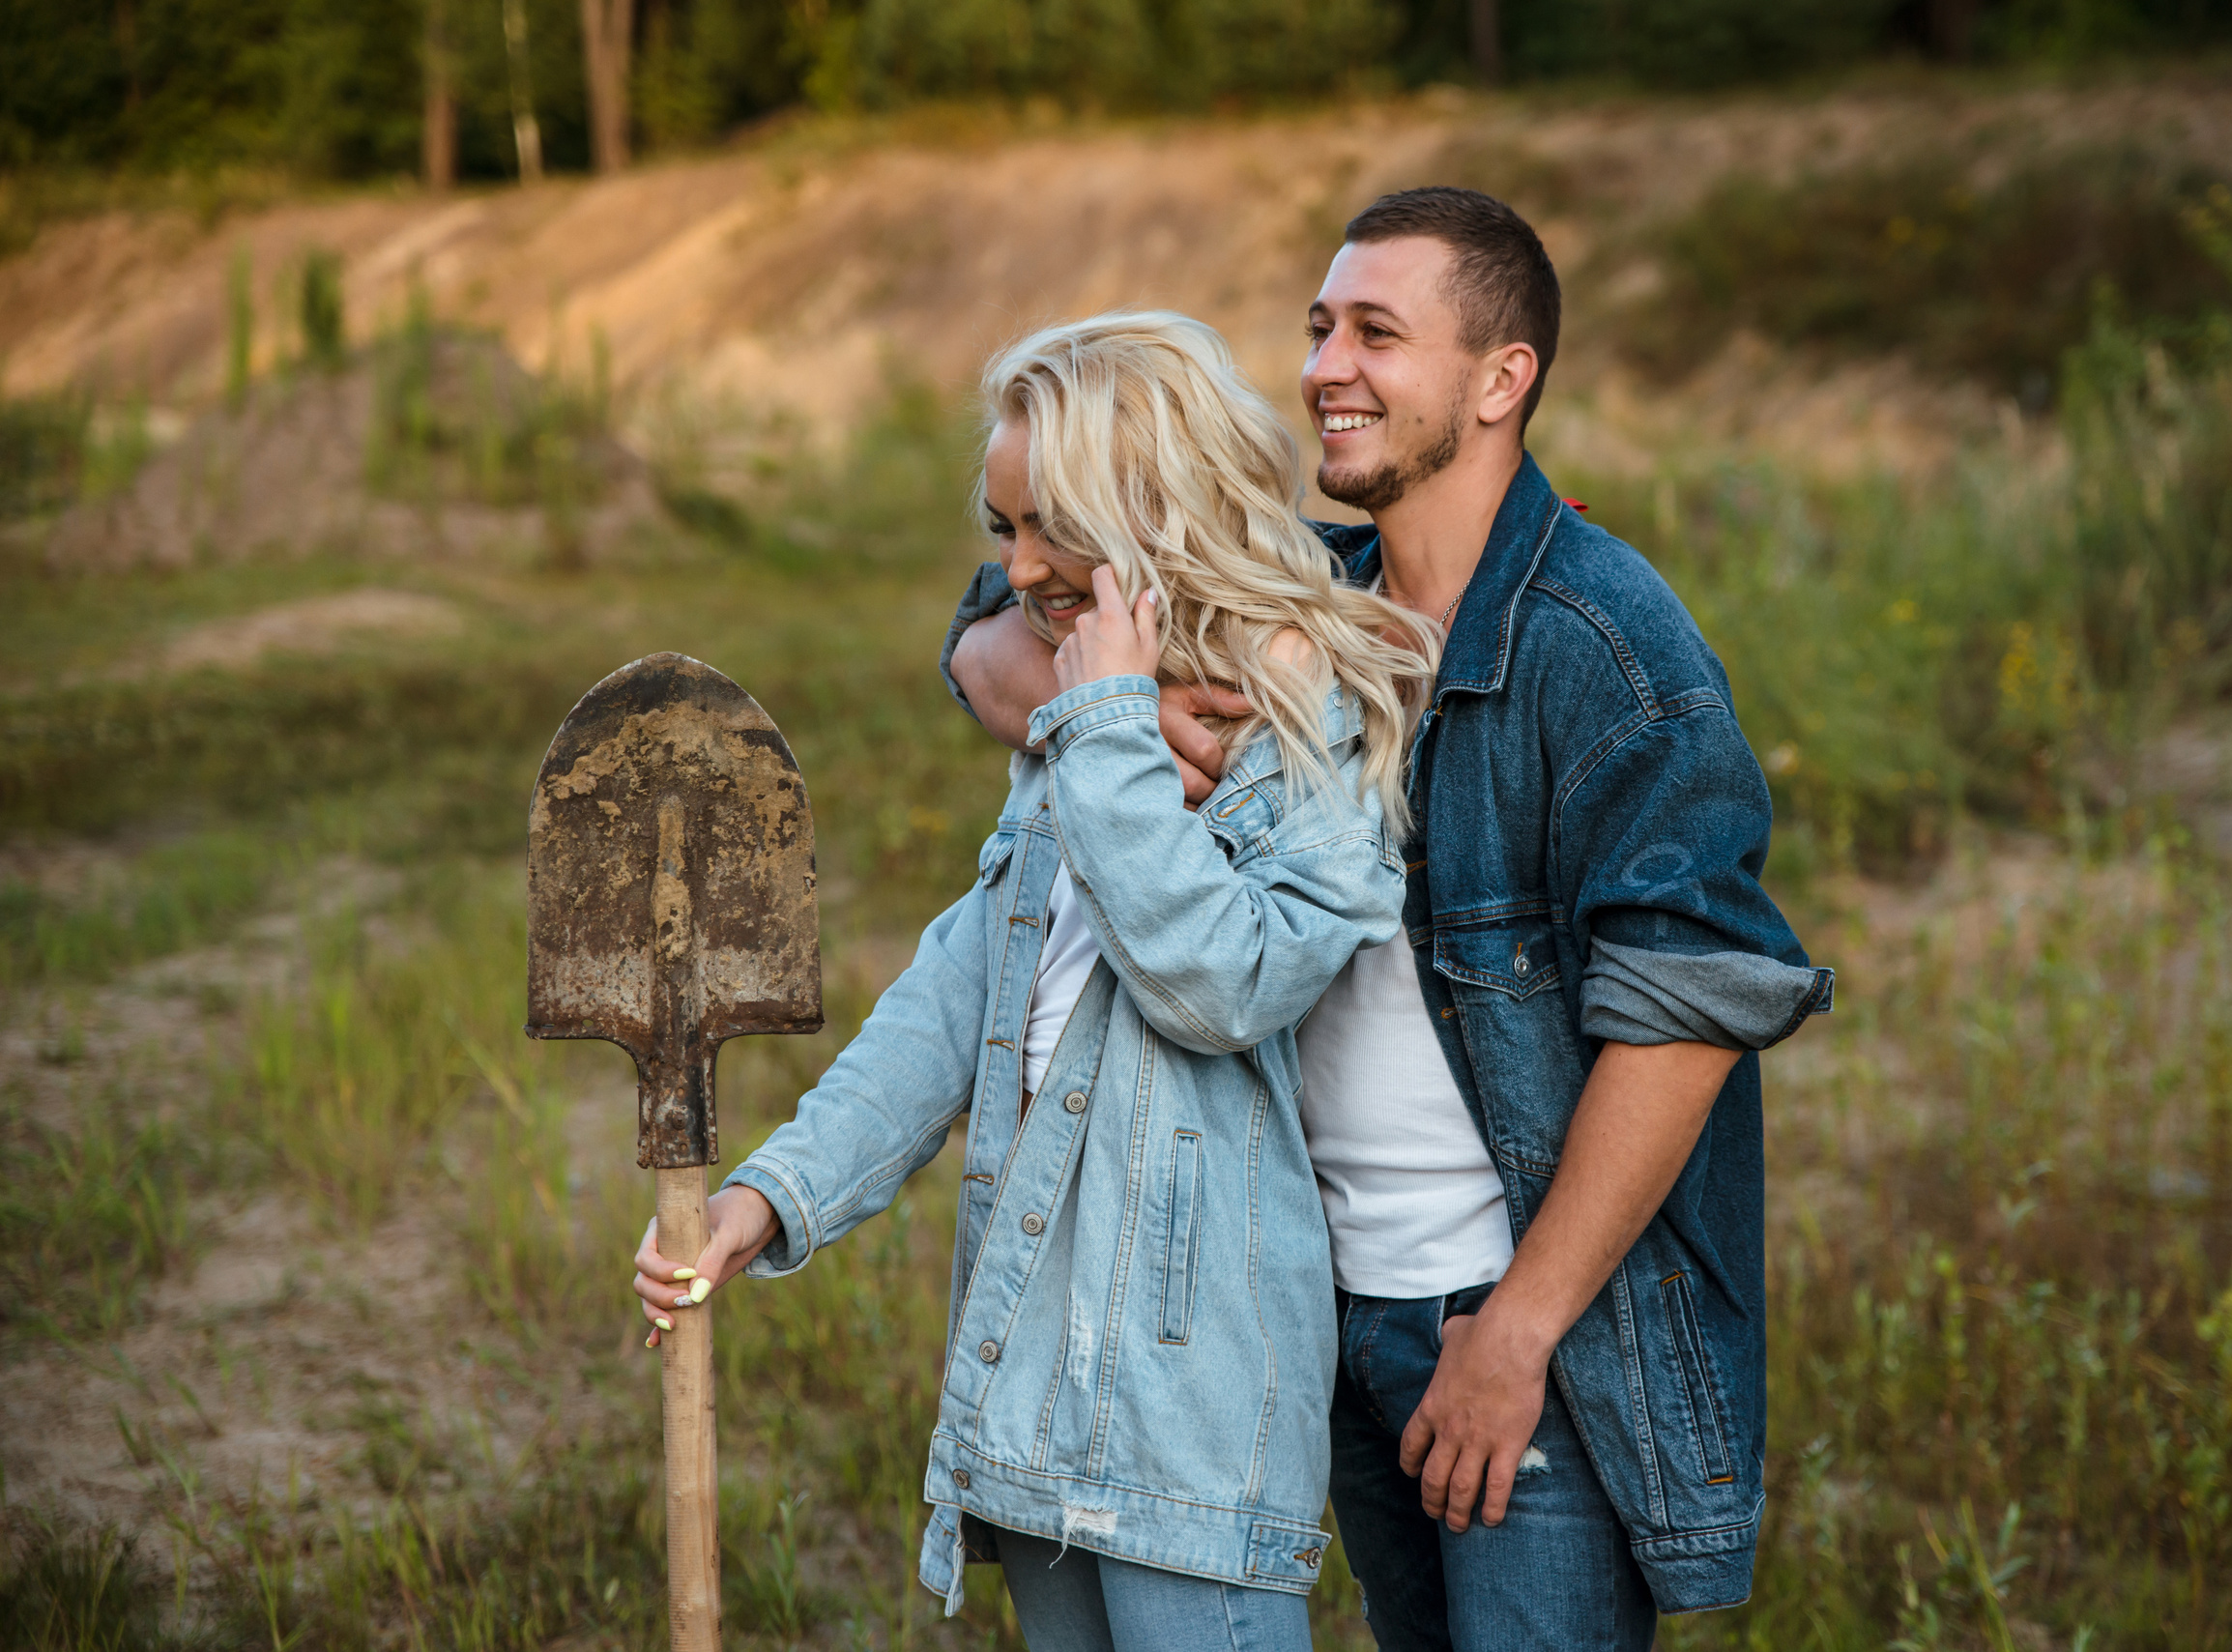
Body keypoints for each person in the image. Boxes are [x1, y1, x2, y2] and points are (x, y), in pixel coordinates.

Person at [946, 188, 1832, 1650]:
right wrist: (1125, 709)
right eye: (1316, 328)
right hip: (1315, 1298)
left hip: (1502, 1317)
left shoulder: (1602, 648)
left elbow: (1690, 1014)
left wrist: (1519, 1332)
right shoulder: (1307, 594)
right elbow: (1002, 614)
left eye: (1377, 332)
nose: (1326, 368)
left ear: (1502, 380)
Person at [630, 311, 1437, 1652]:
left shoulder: (1311, 713)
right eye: (1001, 528)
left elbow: (1222, 985)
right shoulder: (1091, 708)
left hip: (1189, 1408)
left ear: (1148, 508)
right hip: (1031, 1385)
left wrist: (1110, 724)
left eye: (1038, 528)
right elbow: (964, 991)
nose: (1012, 572)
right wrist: (768, 1197)